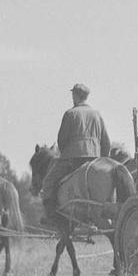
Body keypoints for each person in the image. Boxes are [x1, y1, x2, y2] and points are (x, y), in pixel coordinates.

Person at [42, 83, 111, 223]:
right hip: (94, 158)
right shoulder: (97, 114)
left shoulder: (70, 113)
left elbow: (61, 139)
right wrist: (102, 158)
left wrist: (64, 154)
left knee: (48, 181)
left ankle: (51, 214)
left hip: (73, 158)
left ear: (75, 95)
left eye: (72, 94)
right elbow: (106, 141)